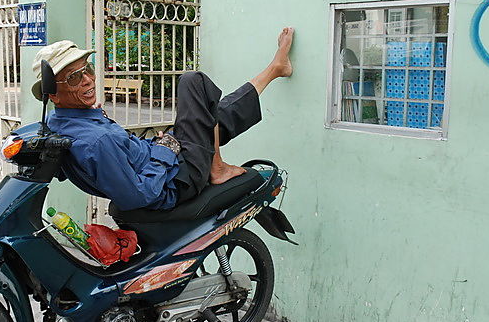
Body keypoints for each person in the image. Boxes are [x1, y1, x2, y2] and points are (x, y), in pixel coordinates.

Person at [31, 28, 294, 212]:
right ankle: (217, 167)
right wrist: (164, 152)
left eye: (87, 69)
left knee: (210, 115)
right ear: (53, 93)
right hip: (176, 181)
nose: (88, 79)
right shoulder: (96, 140)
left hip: (162, 162)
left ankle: (274, 70)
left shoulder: (61, 122)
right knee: (194, 82)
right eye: (75, 78)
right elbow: (141, 194)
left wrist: (91, 115)